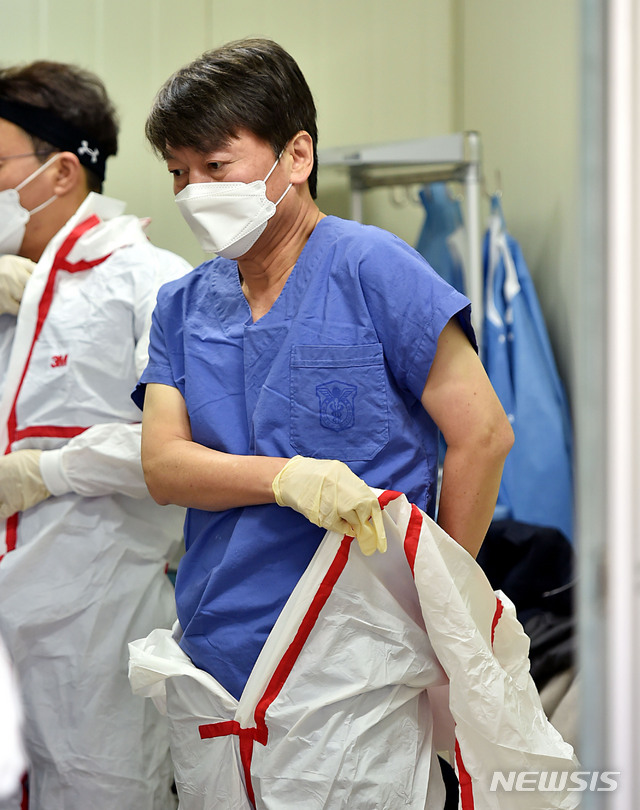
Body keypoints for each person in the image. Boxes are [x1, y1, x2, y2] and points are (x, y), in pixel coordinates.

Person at [132, 38, 515, 808]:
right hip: (218, 646)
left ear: (295, 155)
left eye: (217, 166)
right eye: (178, 171)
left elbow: (482, 435)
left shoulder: (374, 267)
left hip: (359, 651)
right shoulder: (183, 304)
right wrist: (286, 479)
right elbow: (165, 467)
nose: (194, 190)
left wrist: (437, 604)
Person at [0, 61, 191, 810]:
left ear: (61, 172)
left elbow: (180, 450)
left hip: (98, 625)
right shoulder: (13, 297)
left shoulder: (149, 280)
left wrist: (47, 471)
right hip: (14, 627)